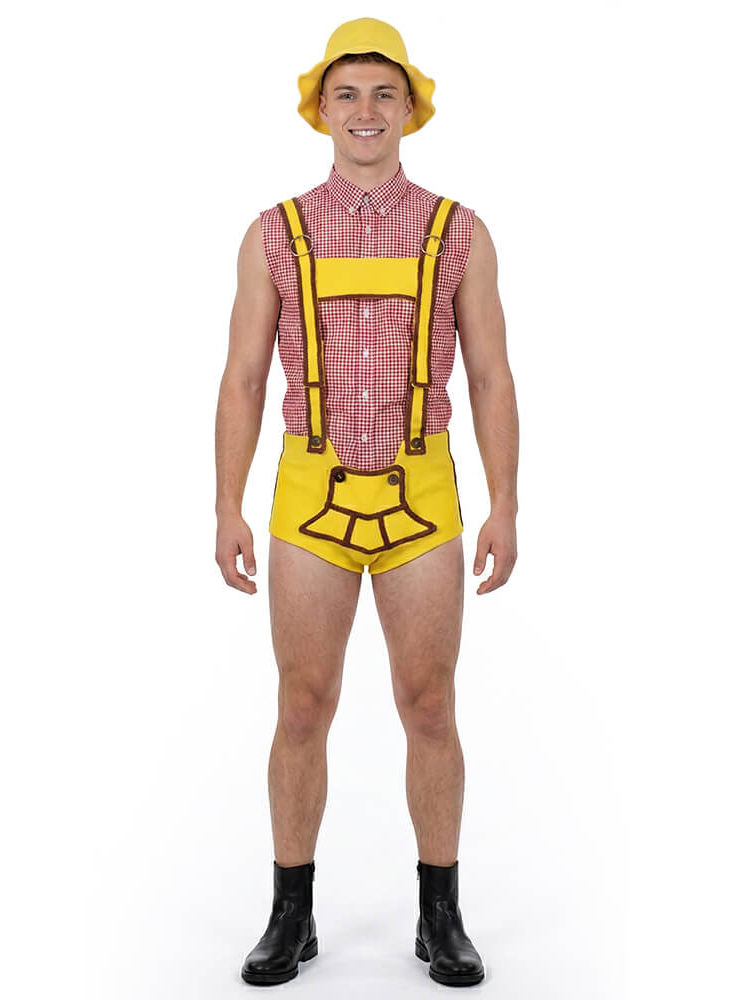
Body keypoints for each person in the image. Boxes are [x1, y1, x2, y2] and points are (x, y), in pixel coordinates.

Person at [215, 17, 519, 987]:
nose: (365, 110)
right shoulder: (274, 232)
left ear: (411, 110)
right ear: (320, 110)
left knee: (429, 703)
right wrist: (226, 507)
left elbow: (490, 378)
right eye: (345, 93)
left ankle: (441, 916)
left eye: (384, 93)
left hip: (423, 494)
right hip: (308, 493)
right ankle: (289, 914)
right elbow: (242, 380)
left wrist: (504, 505)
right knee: (302, 705)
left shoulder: (459, 231)